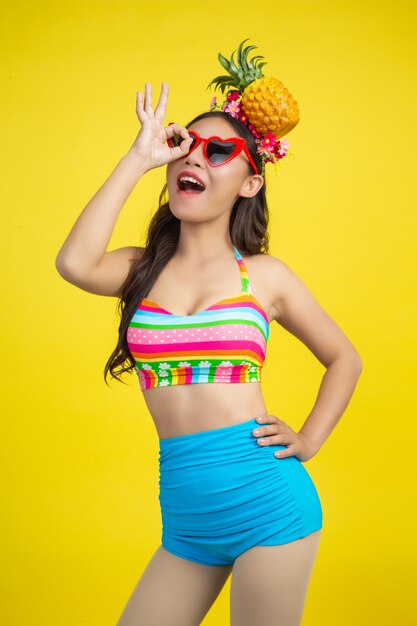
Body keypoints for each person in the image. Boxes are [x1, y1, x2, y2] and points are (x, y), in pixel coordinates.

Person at [56, 78, 362, 625]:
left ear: (250, 184)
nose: (192, 157)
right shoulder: (139, 269)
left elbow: (345, 358)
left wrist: (311, 437)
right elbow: (74, 264)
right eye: (184, 144)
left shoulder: (264, 277)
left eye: (218, 151)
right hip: (187, 521)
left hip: (268, 505)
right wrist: (138, 158)